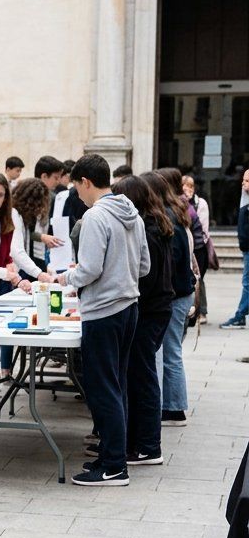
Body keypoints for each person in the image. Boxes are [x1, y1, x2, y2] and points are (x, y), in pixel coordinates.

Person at [57, 154, 149, 487]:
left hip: (103, 311)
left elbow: (90, 269)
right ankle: (113, 455)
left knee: (102, 388)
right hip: (128, 307)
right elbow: (144, 267)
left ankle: (113, 466)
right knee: (116, 384)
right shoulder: (132, 213)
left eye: (77, 187)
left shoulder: (96, 216)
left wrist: (66, 278)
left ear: (85, 182)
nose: (78, 195)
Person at [107, 173, 174, 470]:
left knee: (143, 377)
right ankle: (134, 441)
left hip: (150, 311)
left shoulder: (148, 229)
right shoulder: (151, 224)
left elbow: (145, 276)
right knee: (137, 375)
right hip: (154, 308)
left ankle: (148, 446)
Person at [0, 173, 42, 383]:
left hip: (2, 280)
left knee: (4, 326)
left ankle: (3, 369)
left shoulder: (11, 215)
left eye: (0, 195)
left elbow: (17, 251)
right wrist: (9, 274)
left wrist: (38, 273)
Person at [145, 171, 197, 427]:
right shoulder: (175, 212)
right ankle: (172, 405)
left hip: (176, 294)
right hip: (180, 292)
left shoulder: (168, 217)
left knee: (171, 351)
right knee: (170, 350)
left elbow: (173, 261)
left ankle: (175, 409)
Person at [173, 170, 212, 326]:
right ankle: (192, 309)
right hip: (186, 246)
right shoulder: (178, 202)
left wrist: (188, 204)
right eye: (184, 185)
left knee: (198, 279)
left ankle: (201, 311)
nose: (187, 189)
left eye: (190, 186)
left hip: (199, 247)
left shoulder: (200, 203)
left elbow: (203, 227)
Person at [223, 168, 249, 329]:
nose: (243, 183)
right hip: (246, 248)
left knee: (247, 283)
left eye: (247, 181)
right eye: (243, 180)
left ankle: (240, 315)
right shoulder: (245, 198)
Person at [13, 175, 55, 271]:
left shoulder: (27, 215)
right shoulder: (15, 215)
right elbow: (17, 250)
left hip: (26, 263)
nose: (40, 208)